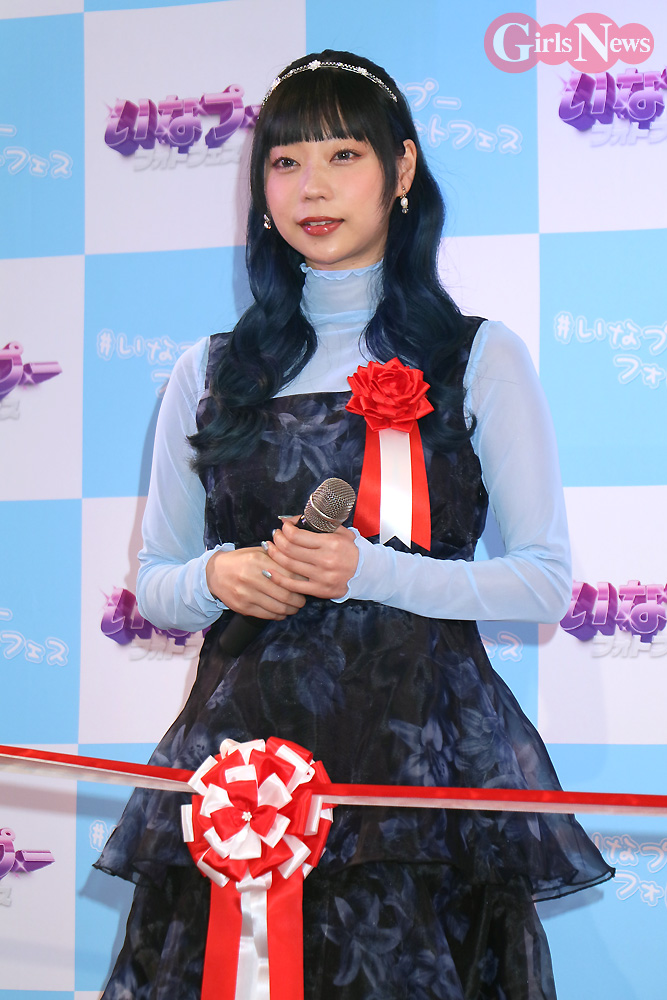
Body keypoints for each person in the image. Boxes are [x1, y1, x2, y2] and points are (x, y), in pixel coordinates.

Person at [96, 49, 613, 1000]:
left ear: (401, 168)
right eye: (285, 162)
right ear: (260, 189)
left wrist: (367, 569)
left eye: (343, 155)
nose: (312, 187)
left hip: (418, 768)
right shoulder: (209, 370)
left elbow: (542, 580)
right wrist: (218, 577)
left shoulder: (476, 357)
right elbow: (158, 583)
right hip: (244, 775)